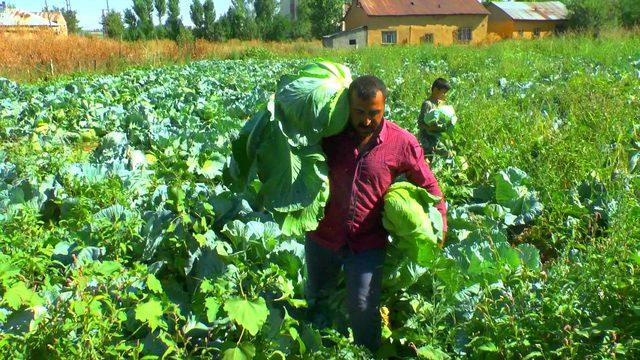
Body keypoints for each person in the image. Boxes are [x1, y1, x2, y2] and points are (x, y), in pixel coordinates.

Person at [305, 75, 447, 353]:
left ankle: (365, 353)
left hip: (367, 242)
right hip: (323, 235)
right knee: (318, 298)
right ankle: (318, 348)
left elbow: (429, 184)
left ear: (384, 108)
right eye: (359, 112)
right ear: (349, 105)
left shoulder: (401, 142)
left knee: (362, 307)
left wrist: (440, 221)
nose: (366, 120)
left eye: (374, 113)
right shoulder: (329, 134)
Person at [417, 78, 452, 156]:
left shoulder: (441, 104)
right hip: (426, 139)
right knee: (428, 157)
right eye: (444, 92)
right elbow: (420, 123)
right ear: (436, 90)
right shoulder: (428, 104)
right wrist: (431, 128)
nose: (445, 95)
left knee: (448, 154)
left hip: (436, 138)